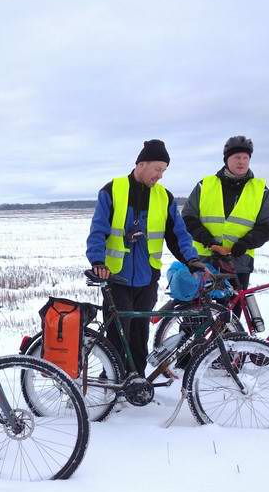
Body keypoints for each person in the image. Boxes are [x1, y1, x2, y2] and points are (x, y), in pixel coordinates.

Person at [86, 139, 203, 375]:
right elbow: (98, 231)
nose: (160, 175)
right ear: (141, 164)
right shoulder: (112, 190)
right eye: (157, 169)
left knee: (140, 333)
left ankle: (136, 381)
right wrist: (97, 261)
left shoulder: (164, 197)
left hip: (147, 277)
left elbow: (178, 234)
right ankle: (114, 380)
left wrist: (191, 259)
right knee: (119, 334)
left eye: (164, 171)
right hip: (115, 276)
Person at [181, 135, 269, 292]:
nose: (242, 161)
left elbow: (267, 226)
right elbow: (188, 218)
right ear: (227, 160)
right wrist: (207, 239)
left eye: (246, 157)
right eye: (237, 157)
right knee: (202, 313)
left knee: (233, 314)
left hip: (238, 263)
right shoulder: (205, 185)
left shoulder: (260, 190)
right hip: (205, 262)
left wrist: (244, 244)